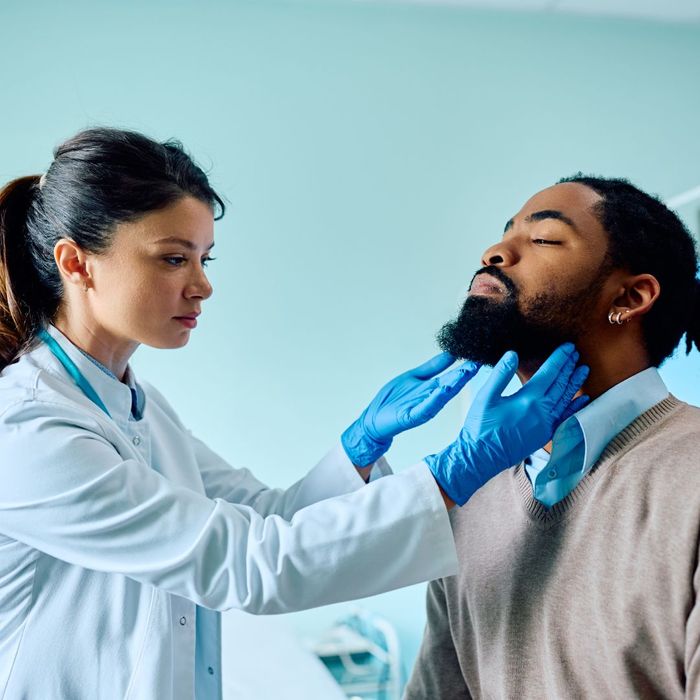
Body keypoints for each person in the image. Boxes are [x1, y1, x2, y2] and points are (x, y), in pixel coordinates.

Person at [0, 128, 587, 699]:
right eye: (174, 259)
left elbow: (262, 517)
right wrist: (453, 472)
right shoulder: (28, 428)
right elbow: (245, 564)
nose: (202, 285)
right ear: (76, 263)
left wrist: (358, 448)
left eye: (205, 258)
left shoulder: (137, 407)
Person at [404, 174, 700, 699]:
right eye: (505, 233)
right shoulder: (468, 495)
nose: (495, 252)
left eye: (543, 239)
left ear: (631, 296)